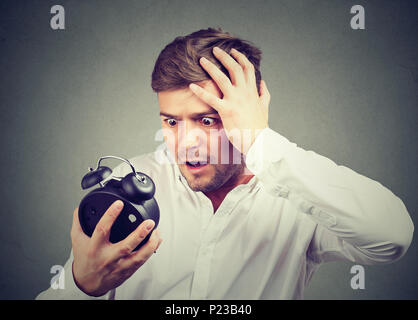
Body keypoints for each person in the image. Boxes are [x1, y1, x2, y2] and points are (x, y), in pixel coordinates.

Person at [36, 27, 414, 300]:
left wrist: (259, 141)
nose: (186, 143)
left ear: (249, 111)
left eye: (207, 120)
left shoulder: (299, 193)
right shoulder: (128, 185)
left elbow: (392, 237)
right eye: (171, 121)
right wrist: (80, 287)